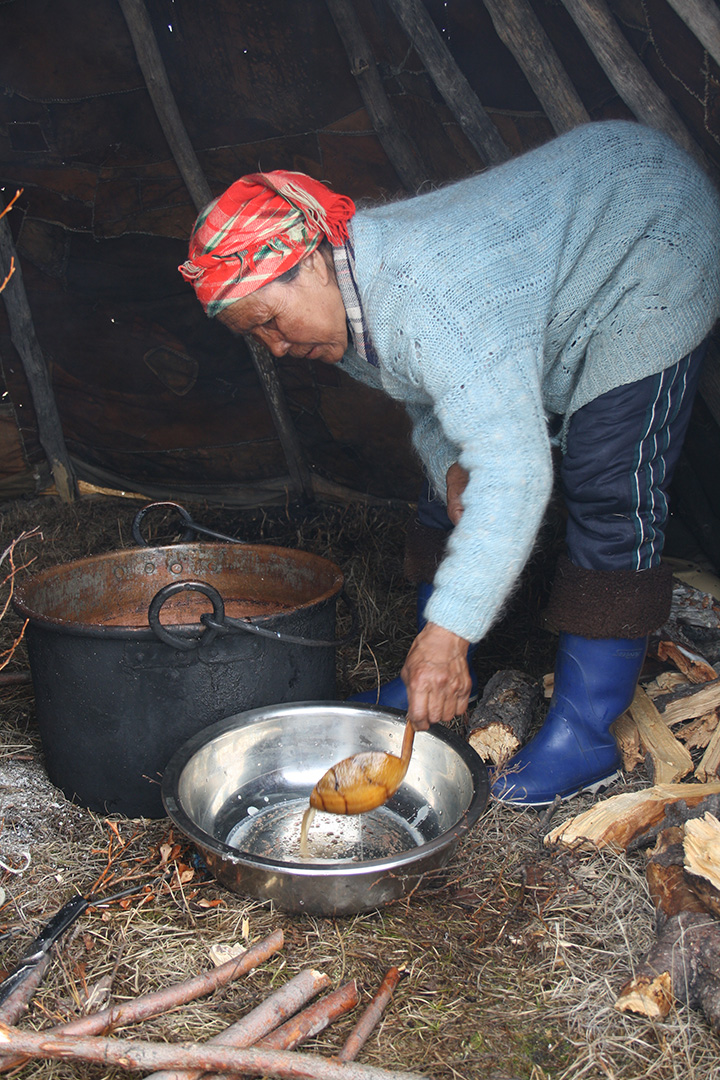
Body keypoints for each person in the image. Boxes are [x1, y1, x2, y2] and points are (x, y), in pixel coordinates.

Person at [179, 120, 720, 807]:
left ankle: (585, 732)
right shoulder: (347, 304)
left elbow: (518, 469)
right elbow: (429, 393)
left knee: (608, 480)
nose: (275, 347)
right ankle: (424, 683)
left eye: (270, 319)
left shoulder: (424, 296)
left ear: (312, 260)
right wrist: (451, 464)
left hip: (651, 228)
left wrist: (451, 634)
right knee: (455, 482)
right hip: (570, 251)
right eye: (254, 336)